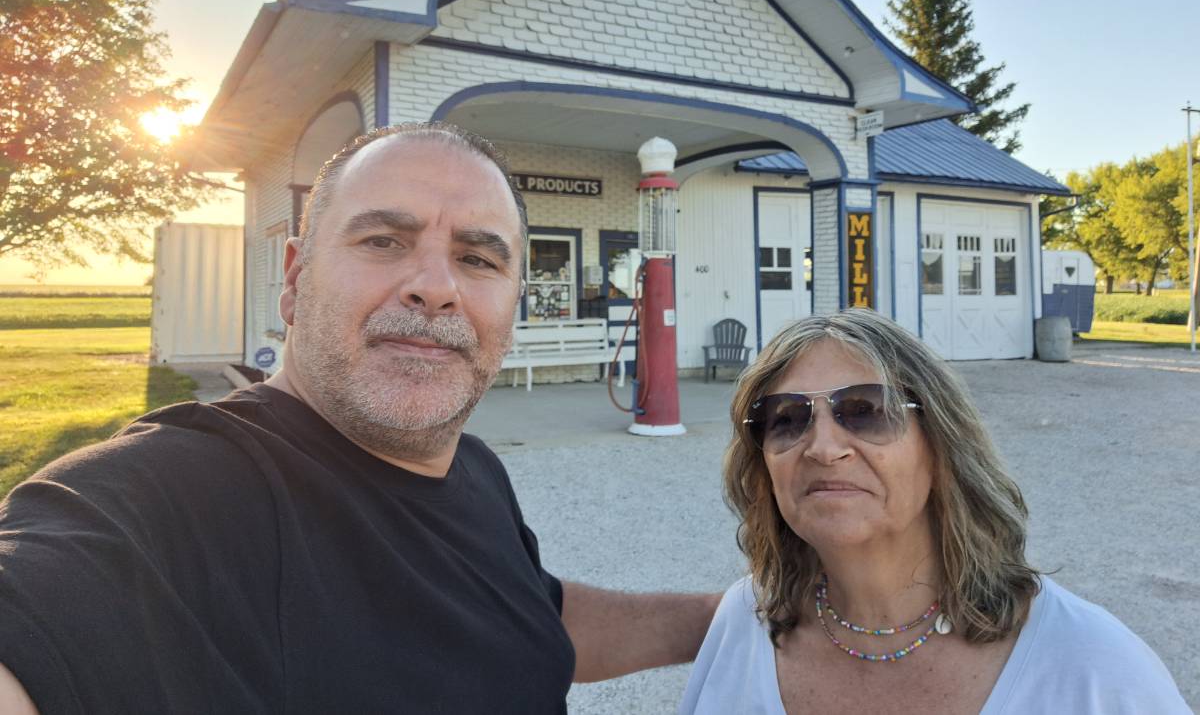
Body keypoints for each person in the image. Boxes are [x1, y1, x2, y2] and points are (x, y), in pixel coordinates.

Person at [0, 122, 718, 714]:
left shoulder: (473, 467)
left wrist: (732, 617)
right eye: (383, 241)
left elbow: (529, 617)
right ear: (294, 279)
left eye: (477, 259)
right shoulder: (165, 495)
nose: (435, 288)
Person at [680, 307, 1190, 714]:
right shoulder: (743, 621)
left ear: (942, 446)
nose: (823, 448)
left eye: (866, 410)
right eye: (787, 419)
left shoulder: (1096, 669)